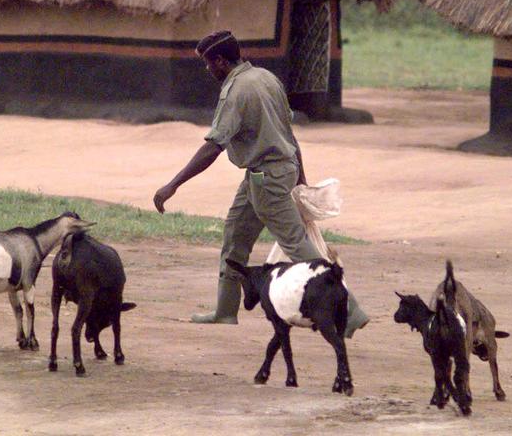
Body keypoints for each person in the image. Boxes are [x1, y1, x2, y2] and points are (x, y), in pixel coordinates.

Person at [152, 30, 369, 338]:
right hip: (270, 172)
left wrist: (172, 185)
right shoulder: (267, 78)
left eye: (208, 64)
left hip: (267, 178)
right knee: (235, 234)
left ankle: (349, 311)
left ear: (221, 61)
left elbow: (214, 146)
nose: (207, 70)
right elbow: (289, 133)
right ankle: (226, 310)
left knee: (296, 243)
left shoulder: (236, 91)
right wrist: (300, 177)